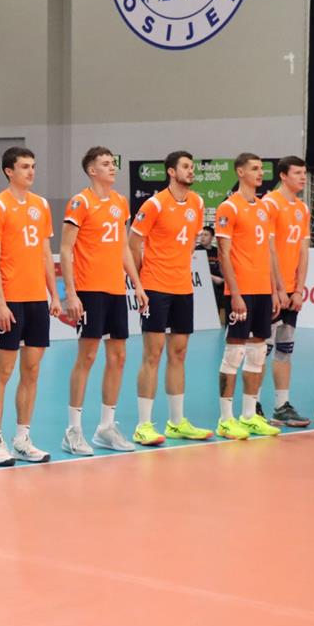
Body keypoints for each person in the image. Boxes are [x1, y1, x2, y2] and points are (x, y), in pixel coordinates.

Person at [59, 146, 146, 455]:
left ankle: (106, 427)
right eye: (106, 164)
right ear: (92, 170)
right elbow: (65, 250)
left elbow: (123, 247)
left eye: (113, 163)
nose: (112, 167)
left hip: (115, 290)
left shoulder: (120, 202)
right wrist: (71, 293)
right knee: (87, 356)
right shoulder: (80, 202)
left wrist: (137, 284)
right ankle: (73, 430)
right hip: (89, 289)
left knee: (118, 357)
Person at [0, 146, 62, 466]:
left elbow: (45, 254)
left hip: (36, 299)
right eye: (25, 166)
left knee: (32, 370)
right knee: (3, 371)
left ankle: (22, 439)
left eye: (33, 166)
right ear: (9, 171)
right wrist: (0, 303)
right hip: (11, 299)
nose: (31, 171)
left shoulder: (41, 205)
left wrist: (54, 295)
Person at [129, 150, 211, 445]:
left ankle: (176, 422)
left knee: (179, 354)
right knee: (153, 354)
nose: (191, 171)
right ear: (171, 172)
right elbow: (133, 242)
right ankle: (143, 425)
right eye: (186, 167)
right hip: (155, 287)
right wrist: (140, 282)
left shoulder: (197, 203)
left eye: (193, 166)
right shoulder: (154, 204)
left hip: (183, 288)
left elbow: (189, 241)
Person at [213, 153, 284, 440]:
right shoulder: (229, 207)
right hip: (240, 291)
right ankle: (225, 419)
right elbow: (223, 254)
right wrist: (235, 293)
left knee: (257, 353)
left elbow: (269, 250)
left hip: (263, 291)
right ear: (240, 172)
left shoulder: (264, 208)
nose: (260, 173)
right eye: (254, 168)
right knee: (234, 354)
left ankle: (249, 415)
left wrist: (275, 289)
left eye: (261, 169)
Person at [260, 156, 312, 426]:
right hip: (271, 290)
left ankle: (281, 406)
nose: (303, 177)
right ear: (283, 175)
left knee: (285, 347)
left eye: (304, 173)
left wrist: (298, 290)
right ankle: (253, 406)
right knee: (261, 349)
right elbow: (268, 250)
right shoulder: (269, 204)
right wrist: (276, 288)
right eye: (297, 173)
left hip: (292, 291)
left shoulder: (302, 208)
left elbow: (303, 251)